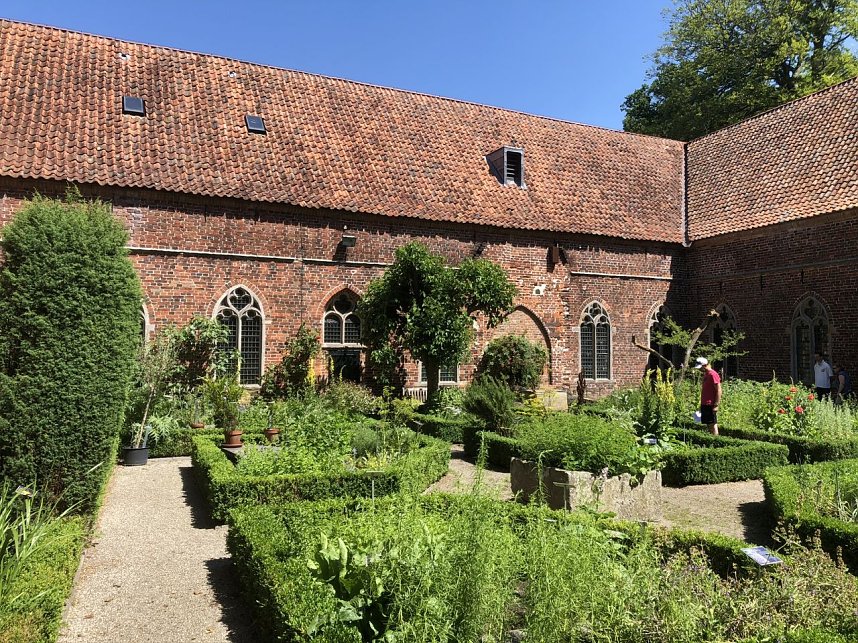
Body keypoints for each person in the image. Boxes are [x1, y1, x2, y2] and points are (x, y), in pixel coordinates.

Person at [694, 356, 721, 436]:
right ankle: (710, 439)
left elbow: (719, 390)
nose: (699, 369)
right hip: (705, 403)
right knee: (708, 424)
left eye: (700, 367)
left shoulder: (713, 374)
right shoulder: (706, 374)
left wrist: (716, 405)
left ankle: (715, 440)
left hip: (710, 404)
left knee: (712, 424)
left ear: (705, 365)